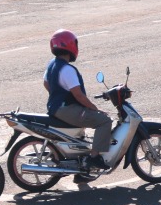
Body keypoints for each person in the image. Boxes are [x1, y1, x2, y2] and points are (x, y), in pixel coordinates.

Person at [44, 29, 113, 180]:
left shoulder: (52, 64)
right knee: (104, 121)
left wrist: (58, 95)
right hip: (66, 109)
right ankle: (94, 158)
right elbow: (79, 95)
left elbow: (46, 83)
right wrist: (96, 108)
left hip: (54, 107)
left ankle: (82, 169)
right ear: (70, 45)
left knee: (81, 133)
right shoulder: (67, 69)